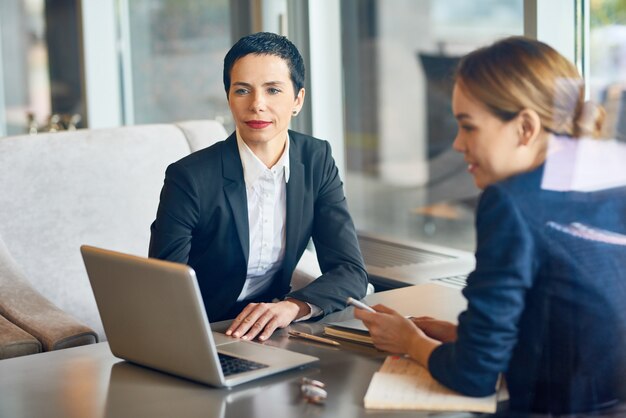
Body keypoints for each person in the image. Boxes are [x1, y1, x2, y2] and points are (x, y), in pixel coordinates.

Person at [355, 36, 626, 415]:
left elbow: (473, 375)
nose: (457, 144)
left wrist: (409, 340)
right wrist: (465, 338)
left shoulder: (511, 202)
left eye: (468, 127)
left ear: (525, 128)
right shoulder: (608, 181)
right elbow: (572, 322)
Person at [149, 32, 368, 342]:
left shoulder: (316, 159)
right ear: (229, 98)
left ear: (297, 100)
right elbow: (163, 285)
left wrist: (292, 307)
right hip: (204, 333)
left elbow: (349, 270)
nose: (257, 105)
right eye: (242, 90)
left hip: (274, 330)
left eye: (273, 90)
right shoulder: (189, 177)